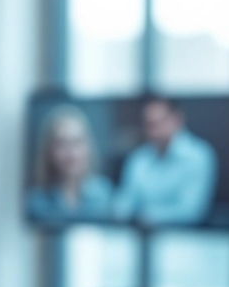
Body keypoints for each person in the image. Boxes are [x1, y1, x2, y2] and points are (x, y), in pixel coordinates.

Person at [113, 97, 217, 226]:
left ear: (177, 119)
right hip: (139, 236)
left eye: (159, 123)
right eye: (149, 125)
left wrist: (148, 215)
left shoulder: (199, 156)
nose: (155, 132)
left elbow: (192, 212)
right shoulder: (138, 158)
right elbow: (125, 202)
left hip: (185, 239)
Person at [27, 105, 113, 222]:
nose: (71, 153)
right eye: (62, 144)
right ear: (49, 151)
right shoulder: (36, 204)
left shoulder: (105, 195)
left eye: (77, 142)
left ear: (88, 148)